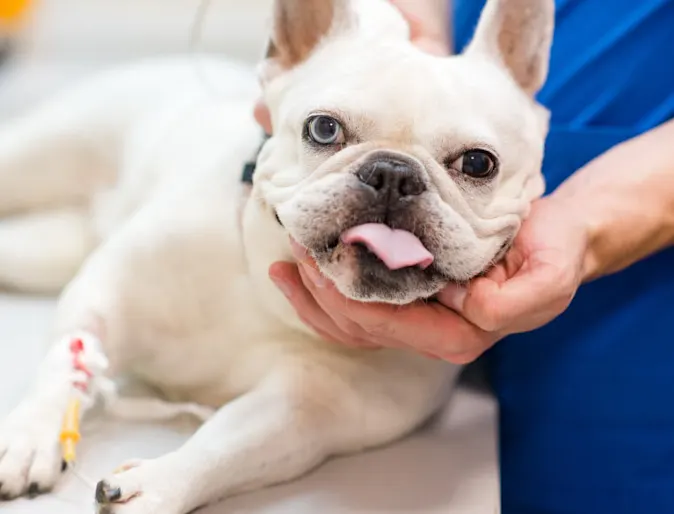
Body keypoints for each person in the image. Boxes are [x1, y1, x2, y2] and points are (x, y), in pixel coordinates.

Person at [258, 1, 674, 512]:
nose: (392, 191)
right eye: (327, 131)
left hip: (638, 324)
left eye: (473, 164)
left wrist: (592, 222)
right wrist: (417, 37)